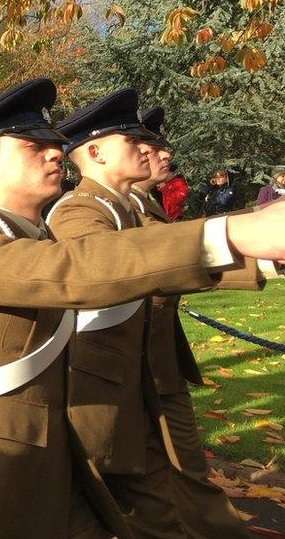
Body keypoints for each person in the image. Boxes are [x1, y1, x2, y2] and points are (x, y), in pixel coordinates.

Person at [0, 77, 285, 538]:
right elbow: (72, 268)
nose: (56, 152)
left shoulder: (28, 232)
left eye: (53, 144)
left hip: (56, 457)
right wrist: (227, 235)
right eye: (34, 145)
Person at [128, 105, 261, 538]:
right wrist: (241, 235)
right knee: (159, 481)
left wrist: (263, 256)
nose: (164, 155)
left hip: (156, 366)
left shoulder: (142, 204)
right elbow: (138, 267)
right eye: (147, 145)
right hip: (126, 374)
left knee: (179, 476)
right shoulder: (87, 211)